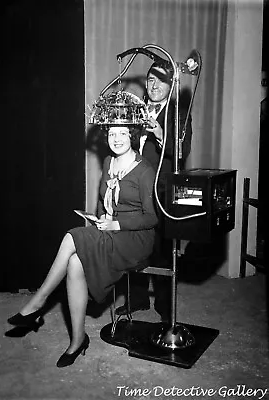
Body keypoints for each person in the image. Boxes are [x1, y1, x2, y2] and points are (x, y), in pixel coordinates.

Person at [7, 122, 158, 368]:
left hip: (136, 239)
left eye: (122, 133)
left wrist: (116, 224)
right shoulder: (109, 162)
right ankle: (78, 340)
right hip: (110, 232)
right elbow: (103, 202)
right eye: (112, 133)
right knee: (75, 263)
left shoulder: (145, 170)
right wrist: (99, 221)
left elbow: (152, 218)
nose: (117, 138)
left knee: (71, 236)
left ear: (132, 135)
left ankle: (37, 303)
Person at [115, 60, 193, 321]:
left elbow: (181, 153)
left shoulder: (178, 112)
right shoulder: (136, 109)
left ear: (171, 85)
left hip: (161, 191)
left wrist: (160, 133)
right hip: (134, 189)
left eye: (161, 79)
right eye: (150, 79)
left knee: (161, 251)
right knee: (133, 245)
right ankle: (137, 300)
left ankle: (164, 308)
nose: (154, 85)